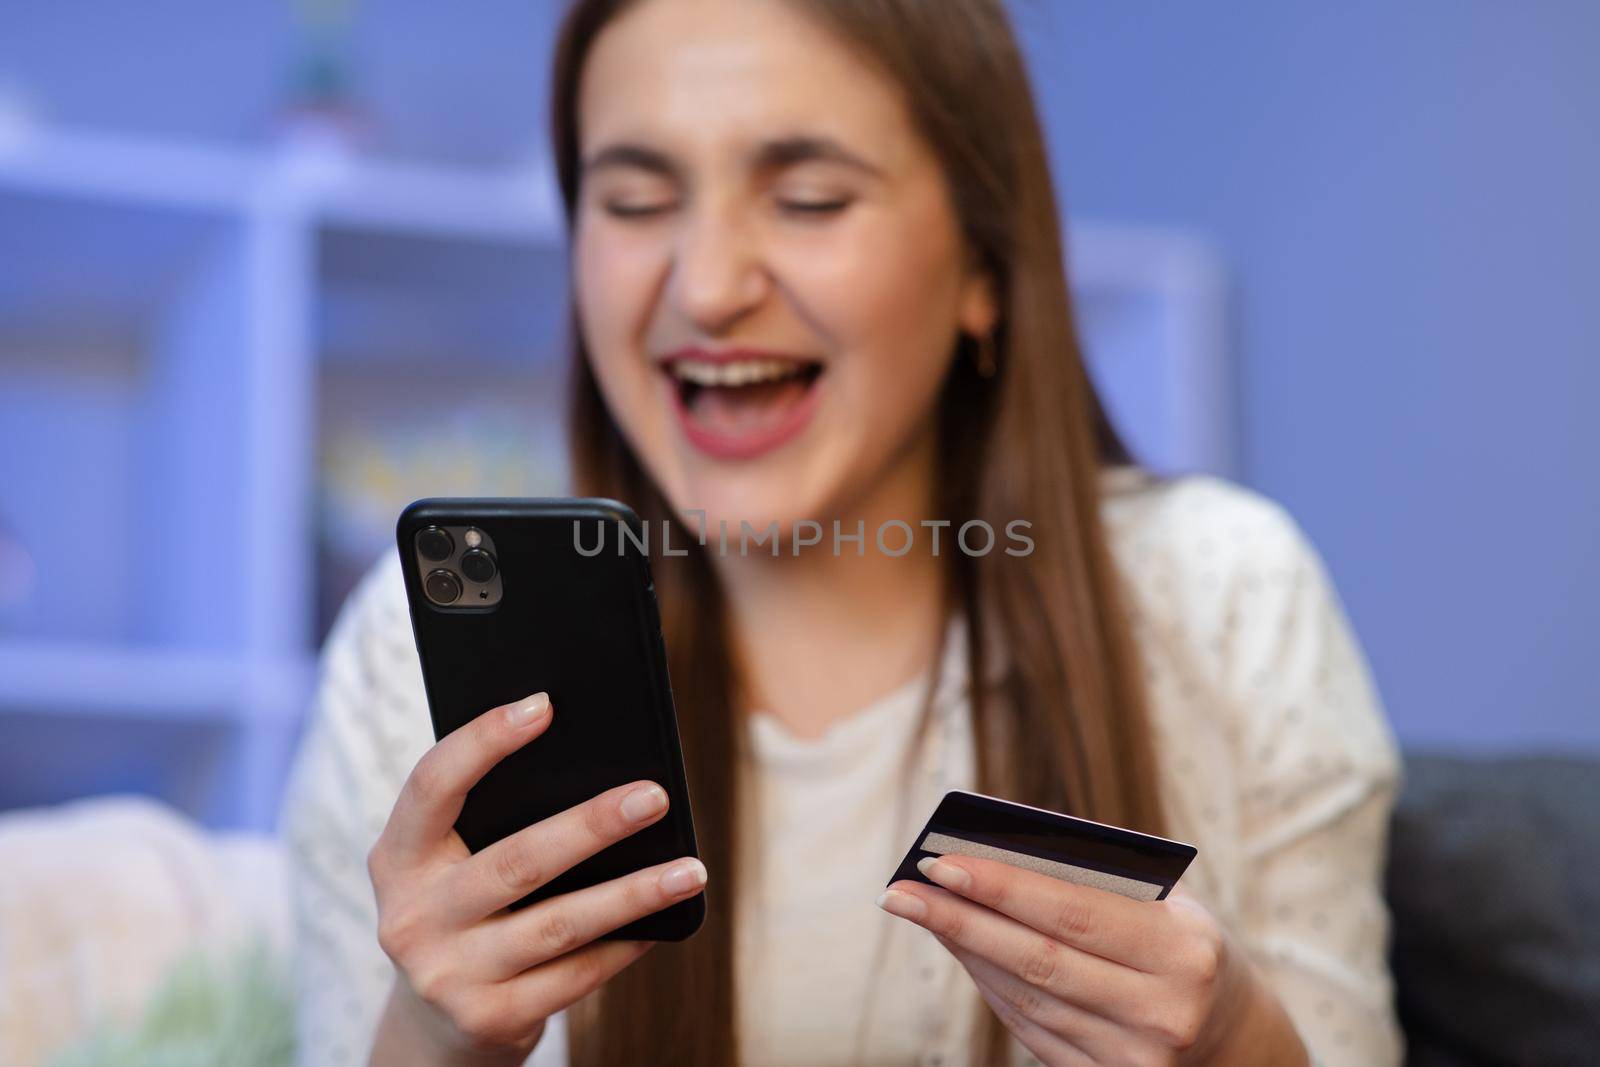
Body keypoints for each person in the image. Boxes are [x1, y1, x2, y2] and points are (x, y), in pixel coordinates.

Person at [281, 1, 1403, 1064]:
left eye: (810, 197)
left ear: (982, 265)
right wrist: (431, 1039)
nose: (707, 286)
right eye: (631, 204)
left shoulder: (1225, 589)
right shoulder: (402, 649)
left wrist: (1236, 1045)